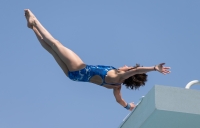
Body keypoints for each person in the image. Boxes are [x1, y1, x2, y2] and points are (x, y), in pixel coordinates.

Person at [24, 9, 171, 111]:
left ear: (130, 73)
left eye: (129, 67)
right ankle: (32, 28)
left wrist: (154, 68)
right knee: (51, 50)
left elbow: (137, 70)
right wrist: (129, 107)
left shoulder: (119, 75)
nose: (127, 65)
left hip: (79, 68)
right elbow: (118, 100)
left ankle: (35, 21)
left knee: (56, 44)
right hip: (73, 76)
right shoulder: (116, 86)